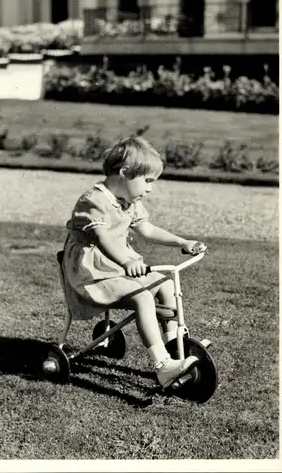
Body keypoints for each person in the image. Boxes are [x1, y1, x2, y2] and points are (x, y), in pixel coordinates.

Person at [62, 136, 207, 389]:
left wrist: (182, 242)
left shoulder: (130, 203)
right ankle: (163, 367)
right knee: (142, 297)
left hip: (117, 267)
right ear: (125, 173)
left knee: (165, 284)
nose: (150, 189)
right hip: (92, 273)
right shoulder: (92, 202)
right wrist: (126, 262)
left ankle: (174, 343)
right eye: (148, 181)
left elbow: (148, 230)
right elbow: (102, 238)